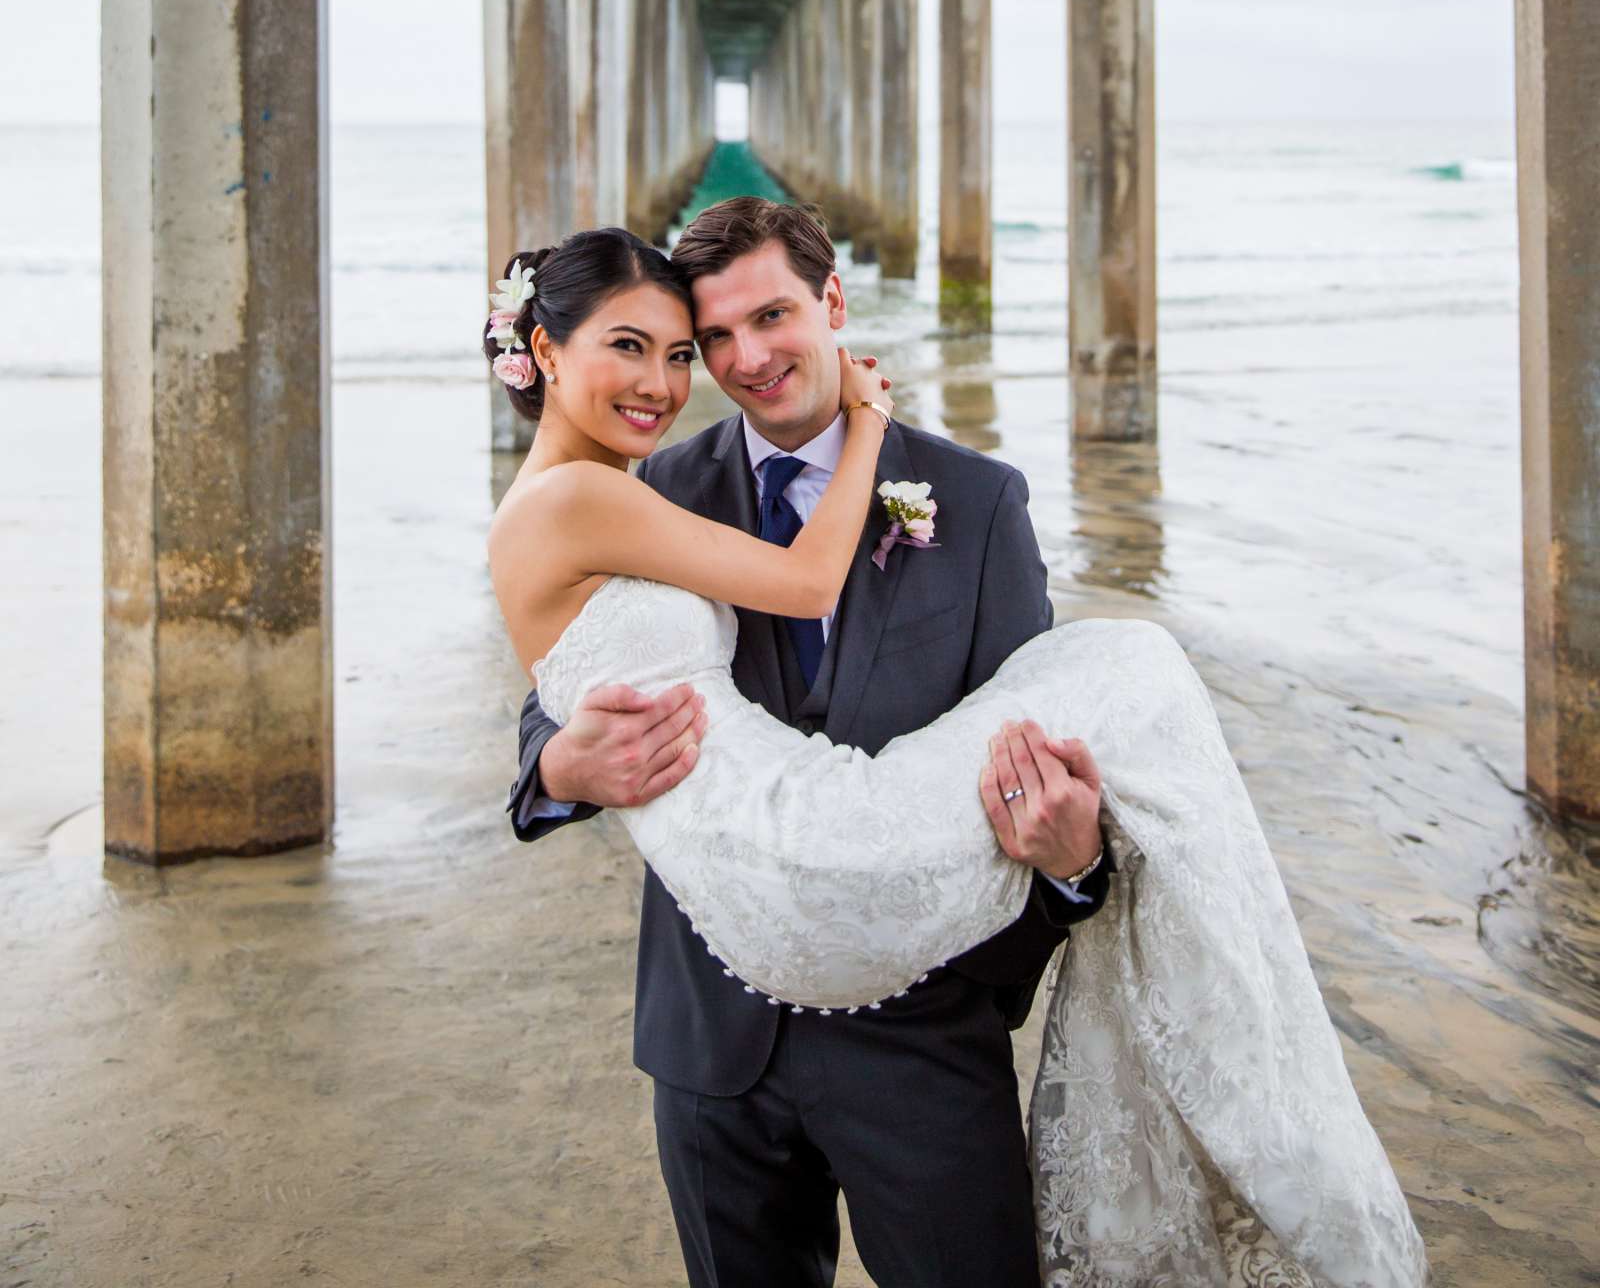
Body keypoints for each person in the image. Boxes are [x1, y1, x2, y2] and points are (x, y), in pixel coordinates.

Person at [489, 209, 1429, 1288]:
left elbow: (1042, 747)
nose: (745, 359)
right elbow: (561, 683)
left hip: (922, 1046)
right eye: (711, 341)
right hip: (713, 1046)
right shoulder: (645, 483)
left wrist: (1075, 863)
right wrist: (561, 770)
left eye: (774, 316)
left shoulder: (977, 504)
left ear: (831, 304)